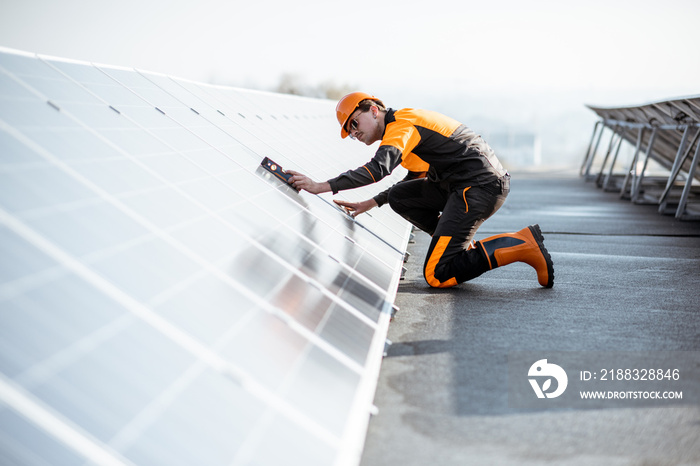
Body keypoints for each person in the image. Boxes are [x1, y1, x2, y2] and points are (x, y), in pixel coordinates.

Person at [287, 92, 553, 289]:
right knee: (398, 197)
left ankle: (522, 245)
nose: (353, 133)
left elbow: (378, 169)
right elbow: (414, 179)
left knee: (437, 274)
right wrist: (372, 202)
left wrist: (320, 186)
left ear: (373, 110)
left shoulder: (402, 126)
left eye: (354, 124)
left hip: (479, 187)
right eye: (348, 131)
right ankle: (457, 246)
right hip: (458, 186)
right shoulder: (404, 125)